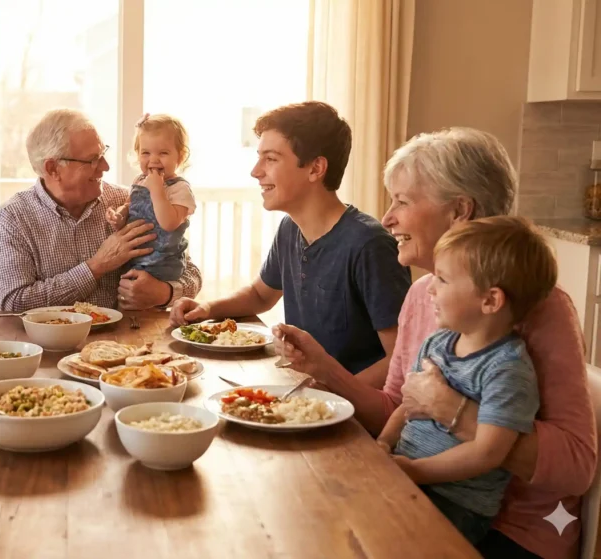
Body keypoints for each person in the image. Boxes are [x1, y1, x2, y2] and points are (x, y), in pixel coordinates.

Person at [276, 127, 597, 559]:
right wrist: (326, 369)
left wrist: (452, 410)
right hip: (423, 494)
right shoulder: (421, 294)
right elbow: (398, 406)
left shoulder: (540, 307)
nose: (387, 218)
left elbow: (577, 468)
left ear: (459, 211)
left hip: (512, 529)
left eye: (402, 202)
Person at [170, 101, 411, 386]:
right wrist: (207, 308)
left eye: (270, 159)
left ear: (315, 168)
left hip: (352, 417)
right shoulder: (290, 228)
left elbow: (402, 359)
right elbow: (260, 295)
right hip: (301, 392)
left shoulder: (370, 246)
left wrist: (330, 394)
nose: (255, 171)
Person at [377, 216, 555, 545]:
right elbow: (408, 406)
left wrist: (413, 471)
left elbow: (487, 453)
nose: (429, 287)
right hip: (406, 474)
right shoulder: (437, 342)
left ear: (490, 301)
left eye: (442, 280)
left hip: (457, 504)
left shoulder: (508, 370)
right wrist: (383, 445)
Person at [0, 108, 202, 312]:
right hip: (51, 346)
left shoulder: (126, 200)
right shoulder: (12, 219)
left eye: (103, 154)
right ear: (53, 168)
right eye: (92, 160)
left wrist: (164, 293)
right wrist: (95, 267)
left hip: (126, 342)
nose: (105, 167)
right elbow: (14, 303)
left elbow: (191, 273)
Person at [107, 113, 196, 281]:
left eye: (163, 153)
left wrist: (157, 191)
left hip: (163, 264)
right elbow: (130, 205)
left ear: (181, 156)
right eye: (146, 153)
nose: (153, 160)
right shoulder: (140, 181)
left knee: (150, 305)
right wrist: (120, 215)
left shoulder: (180, 189)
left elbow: (169, 223)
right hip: (134, 259)